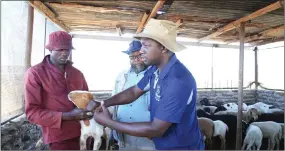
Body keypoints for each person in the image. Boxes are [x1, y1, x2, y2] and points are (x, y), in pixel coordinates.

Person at [87, 19, 205, 150]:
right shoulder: (155, 70)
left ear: (163, 47)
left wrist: (108, 122)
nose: (141, 51)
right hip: (162, 145)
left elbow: (156, 129)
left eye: (146, 46)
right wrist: (104, 103)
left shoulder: (177, 80)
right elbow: (133, 92)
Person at [24, 31, 93, 150]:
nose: (65, 53)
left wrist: (95, 107)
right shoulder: (36, 73)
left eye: (68, 49)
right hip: (60, 137)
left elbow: (87, 100)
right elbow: (32, 113)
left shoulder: (77, 73)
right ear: (50, 49)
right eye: (60, 49)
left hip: (86, 132)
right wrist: (68, 116)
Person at [111, 40, 155, 150]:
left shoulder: (156, 75)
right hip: (124, 134)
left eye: (139, 55)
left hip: (148, 136)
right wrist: (112, 128)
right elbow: (114, 103)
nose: (136, 60)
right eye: (132, 57)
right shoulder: (121, 77)